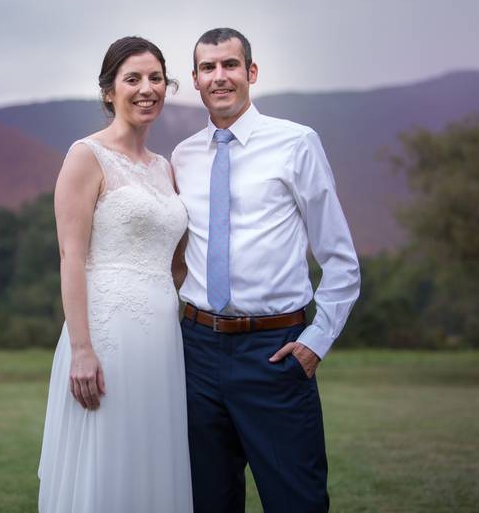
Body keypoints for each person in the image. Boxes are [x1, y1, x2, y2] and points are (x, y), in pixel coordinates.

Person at [172, 28, 361, 513]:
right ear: (195, 80)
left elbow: (339, 258)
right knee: (208, 501)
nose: (220, 77)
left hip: (274, 351)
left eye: (230, 65)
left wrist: (317, 341)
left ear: (251, 73)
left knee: (296, 500)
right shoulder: (184, 157)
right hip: (196, 352)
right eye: (208, 68)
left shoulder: (296, 143)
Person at [37, 36, 193, 512]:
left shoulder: (165, 168)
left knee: (152, 455)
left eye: (156, 78)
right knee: (109, 458)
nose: (147, 89)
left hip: (163, 338)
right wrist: (82, 349)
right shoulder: (86, 156)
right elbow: (71, 256)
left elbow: (177, 263)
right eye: (133, 79)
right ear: (109, 92)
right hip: (108, 334)